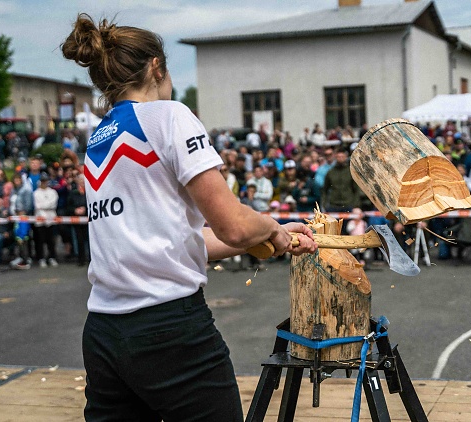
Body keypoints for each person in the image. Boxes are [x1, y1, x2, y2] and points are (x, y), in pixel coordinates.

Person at [61, 14, 316, 422]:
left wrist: (268, 238)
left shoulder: (99, 137)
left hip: (104, 332)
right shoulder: (169, 116)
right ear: (156, 67)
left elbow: (182, 239)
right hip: (169, 328)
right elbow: (232, 223)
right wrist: (268, 227)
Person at [322, 148, 360, 213]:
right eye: (338, 157)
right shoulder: (330, 172)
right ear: (335, 157)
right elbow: (325, 189)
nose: (340, 159)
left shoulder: (350, 172)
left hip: (348, 204)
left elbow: (356, 189)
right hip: (333, 205)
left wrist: (355, 205)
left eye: (342, 157)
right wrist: (324, 204)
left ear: (346, 157)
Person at [33, 173, 59, 268]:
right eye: (43, 181)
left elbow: (53, 204)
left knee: (51, 240)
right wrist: (45, 209)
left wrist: (44, 206)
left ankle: (52, 257)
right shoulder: (36, 193)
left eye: (46, 181)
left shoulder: (53, 192)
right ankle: (41, 258)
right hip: (40, 219)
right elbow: (37, 206)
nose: (44, 183)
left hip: (51, 218)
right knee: (40, 240)